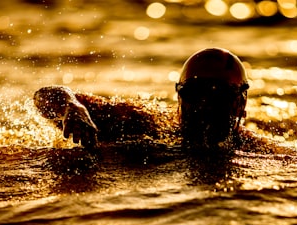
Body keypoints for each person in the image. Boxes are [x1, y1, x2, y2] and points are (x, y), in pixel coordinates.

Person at [33, 47, 270, 152]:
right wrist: (71, 107)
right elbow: (45, 95)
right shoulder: (144, 122)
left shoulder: (256, 150)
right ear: (180, 97)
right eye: (195, 93)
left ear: (240, 105)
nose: (204, 104)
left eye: (219, 95)